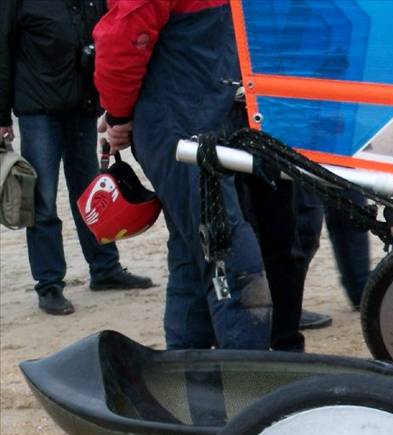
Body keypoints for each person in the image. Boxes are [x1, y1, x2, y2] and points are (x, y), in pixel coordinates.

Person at [94, 0, 274, 349]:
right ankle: (247, 373)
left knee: (192, 252)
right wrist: (119, 115)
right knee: (225, 247)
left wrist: (120, 115)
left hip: (210, 112)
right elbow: (121, 41)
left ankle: (189, 367)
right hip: (180, 123)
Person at [1, 0, 153, 316]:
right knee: (42, 201)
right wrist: (1, 116)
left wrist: (112, 103)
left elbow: (108, 37)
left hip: (83, 104)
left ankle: (105, 268)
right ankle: (49, 284)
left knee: (91, 195)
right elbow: (2, 49)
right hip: (39, 109)